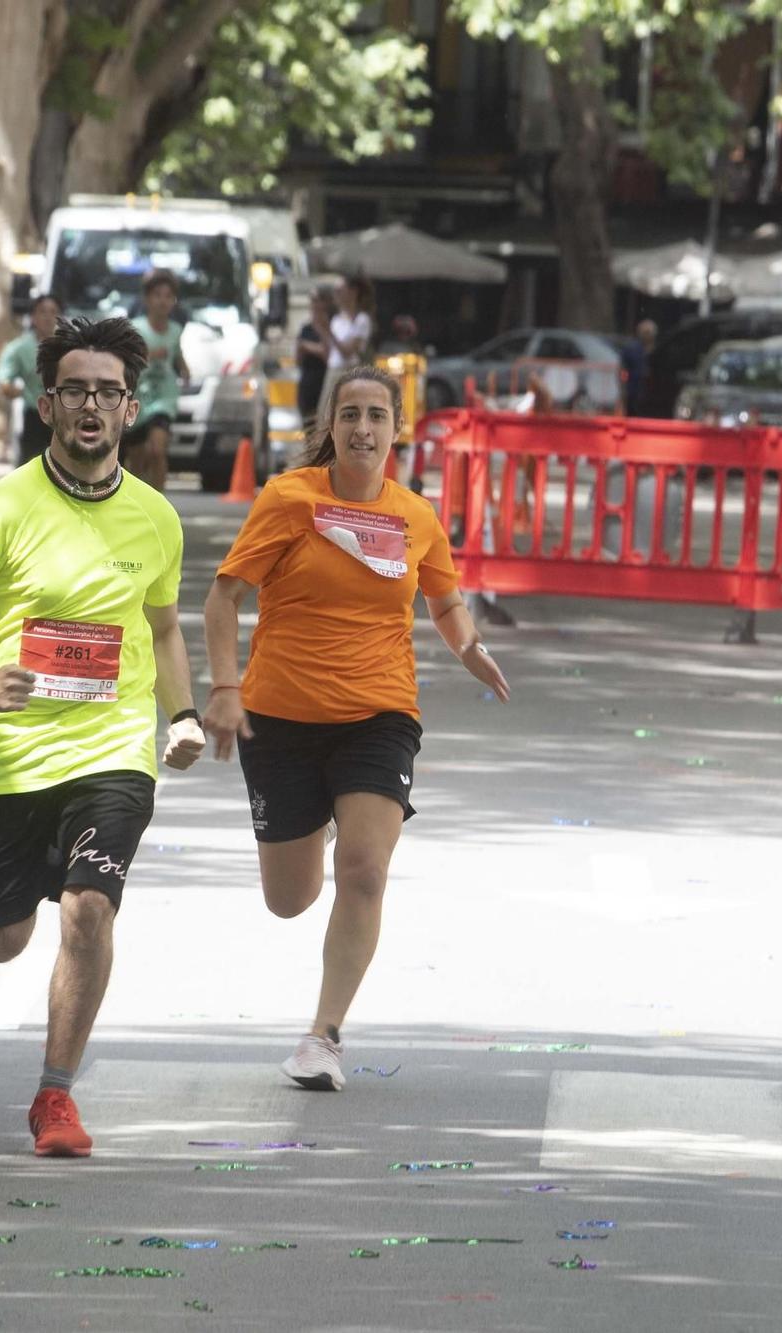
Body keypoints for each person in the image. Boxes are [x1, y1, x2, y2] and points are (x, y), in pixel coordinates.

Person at [0, 315, 205, 1158]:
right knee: (4, 940)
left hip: (112, 749)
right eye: (76, 390)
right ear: (47, 406)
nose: (91, 406)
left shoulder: (156, 518)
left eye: (108, 392)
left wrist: (182, 715)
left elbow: (164, 628)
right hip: (6, 759)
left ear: (131, 408)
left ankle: (55, 1094)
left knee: (89, 907)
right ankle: (26, 888)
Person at [202, 365, 511, 1090]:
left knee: (365, 870)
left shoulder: (417, 516)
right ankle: (319, 821)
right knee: (290, 900)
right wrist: (224, 689)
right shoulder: (289, 499)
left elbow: (443, 599)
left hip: (380, 714)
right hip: (279, 716)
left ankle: (323, 1036)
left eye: (377, 416)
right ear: (331, 427)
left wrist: (468, 646)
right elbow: (224, 598)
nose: (364, 429)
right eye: (351, 415)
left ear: (397, 429)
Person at [130, 271, 186, 493]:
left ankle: (159, 500)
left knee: (157, 449)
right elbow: (127, 358)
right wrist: (150, 355)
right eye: (157, 295)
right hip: (139, 396)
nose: (163, 301)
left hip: (164, 396)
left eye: (168, 296)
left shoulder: (176, 330)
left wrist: (185, 369)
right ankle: (135, 499)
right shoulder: (136, 328)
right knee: (137, 459)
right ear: (147, 299)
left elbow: (177, 354)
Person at [0, 293, 62, 463]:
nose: (48, 317)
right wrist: (16, 391)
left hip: (65, 416)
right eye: (43, 312)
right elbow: (3, 380)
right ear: (33, 317)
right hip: (34, 418)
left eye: (53, 312)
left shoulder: (70, 348)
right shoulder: (19, 348)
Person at [294, 290, 332, 433]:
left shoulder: (332, 327)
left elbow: (328, 355)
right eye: (313, 303)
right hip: (307, 380)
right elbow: (298, 359)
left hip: (324, 379)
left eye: (318, 302)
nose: (316, 306)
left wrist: (307, 346)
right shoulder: (306, 329)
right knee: (308, 426)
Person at [623, 318, 657, 416]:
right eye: (645, 332)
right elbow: (623, 370)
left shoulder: (657, 350)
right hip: (634, 390)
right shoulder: (631, 350)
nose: (647, 336)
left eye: (649, 333)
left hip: (651, 392)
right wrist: (623, 387)